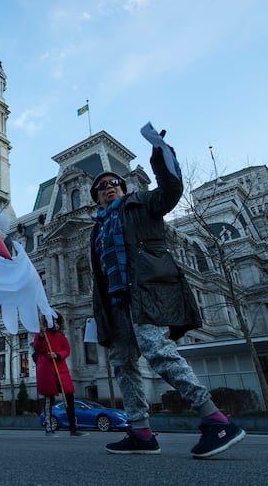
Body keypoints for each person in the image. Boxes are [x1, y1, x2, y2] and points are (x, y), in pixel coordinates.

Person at [90, 137, 246, 458]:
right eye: (102, 186)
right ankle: (141, 432)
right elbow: (99, 277)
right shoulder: (97, 229)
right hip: (115, 305)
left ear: (123, 188)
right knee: (123, 365)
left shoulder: (142, 204)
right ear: (96, 198)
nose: (109, 187)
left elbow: (171, 191)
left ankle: (215, 419)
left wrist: (161, 156)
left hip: (146, 292)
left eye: (115, 183)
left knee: (158, 351)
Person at [34, 314, 86, 437]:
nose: (54, 321)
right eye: (51, 319)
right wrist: (41, 337)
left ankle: (73, 428)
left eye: (55, 319)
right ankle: (48, 428)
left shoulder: (61, 335)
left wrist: (57, 355)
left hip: (61, 370)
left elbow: (67, 350)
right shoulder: (41, 334)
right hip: (47, 370)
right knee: (49, 399)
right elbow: (38, 349)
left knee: (69, 398)